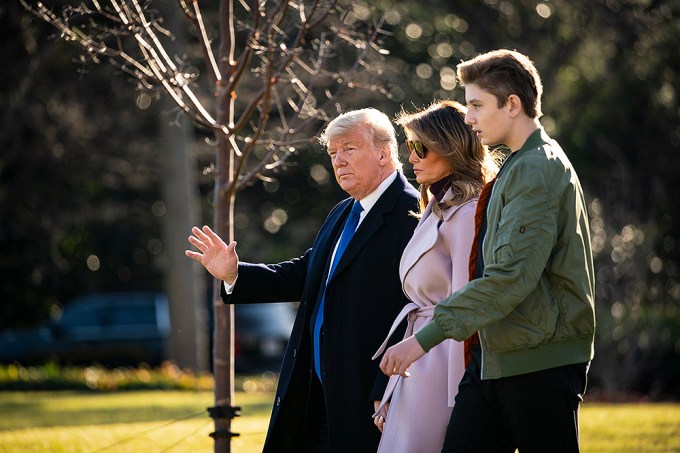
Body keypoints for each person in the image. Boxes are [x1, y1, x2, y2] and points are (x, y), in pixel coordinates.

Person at [379, 49, 596, 453]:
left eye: (477, 105)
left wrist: (422, 340)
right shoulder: (518, 166)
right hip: (498, 357)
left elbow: (509, 278)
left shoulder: (538, 168)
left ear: (512, 105)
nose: (469, 117)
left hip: (538, 362)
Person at [185, 108, 420, 453]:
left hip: (371, 400)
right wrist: (235, 274)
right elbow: (303, 275)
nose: (338, 160)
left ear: (384, 152)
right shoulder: (343, 212)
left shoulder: (412, 213)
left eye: (349, 149)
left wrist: (384, 389)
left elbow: (415, 311)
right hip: (316, 395)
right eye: (333, 152)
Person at [371, 100, 497, 453]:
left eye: (418, 147)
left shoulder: (467, 213)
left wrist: (462, 400)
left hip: (442, 366)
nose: (410, 157)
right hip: (420, 360)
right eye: (408, 146)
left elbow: (466, 305)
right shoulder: (437, 207)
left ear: (450, 148)